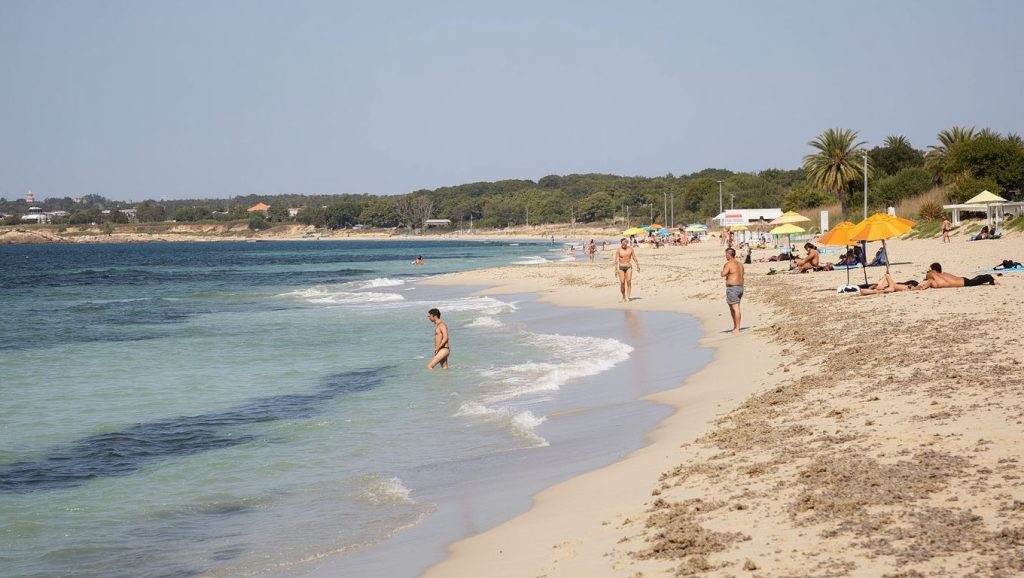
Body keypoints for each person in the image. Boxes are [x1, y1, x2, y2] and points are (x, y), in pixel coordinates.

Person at [913, 262, 999, 290]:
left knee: (976, 281)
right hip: (963, 281)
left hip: (964, 282)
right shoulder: (941, 275)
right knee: (975, 280)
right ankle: (990, 279)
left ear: (933, 270)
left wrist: (928, 272)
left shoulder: (934, 274)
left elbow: (929, 275)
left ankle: (991, 279)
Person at [721, 247, 744, 334]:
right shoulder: (740, 264)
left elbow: (723, 274)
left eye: (726, 254)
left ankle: (737, 328)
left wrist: (722, 272)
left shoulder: (729, 264)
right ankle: (735, 326)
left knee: (735, 308)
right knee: (733, 308)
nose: (725, 256)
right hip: (740, 287)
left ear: (728, 255)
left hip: (733, 288)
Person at [614, 237, 640, 303]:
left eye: (625, 243)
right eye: (622, 244)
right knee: (622, 283)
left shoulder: (630, 249)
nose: (624, 245)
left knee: (628, 281)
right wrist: (615, 269)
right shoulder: (618, 250)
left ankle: (628, 297)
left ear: (626, 243)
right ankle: (623, 296)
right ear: (621, 243)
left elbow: (634, 257)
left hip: (629, 267)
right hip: (621, 268)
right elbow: (616, 260)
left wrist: (637, 265)